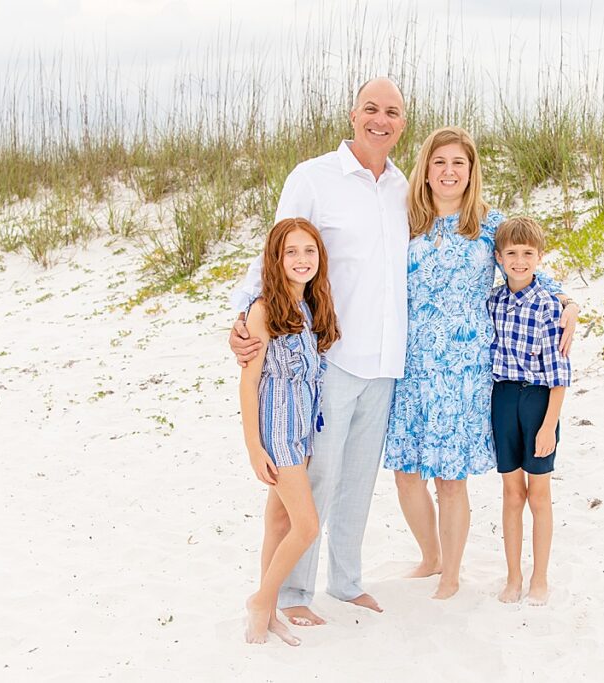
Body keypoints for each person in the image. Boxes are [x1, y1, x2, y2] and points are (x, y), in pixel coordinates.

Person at [229, 77, 409, 626]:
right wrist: (243, 316)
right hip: (331, 357)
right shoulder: (313, 177)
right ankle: (291, 593)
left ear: (403, 123)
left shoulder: (405, 186)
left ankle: (347, 581)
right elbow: (276, 249)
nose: (381, 119)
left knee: (359, 479)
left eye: (393, 112)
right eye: (371, 109)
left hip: (387, 361)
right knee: (317, 480)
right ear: (353, 114)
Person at [384, 126, 579, 599]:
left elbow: (528, 267)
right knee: (406, 470)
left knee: (450, 476)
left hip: (465, 366)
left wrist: (566, 299)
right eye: (440, 162)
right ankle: (429, 556)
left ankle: (451, 572)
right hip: (410, 363)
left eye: (459, 163)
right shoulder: (403, 221)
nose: (449, 171)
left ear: (472, 172)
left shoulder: (489, 226)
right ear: (426, 170)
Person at [240, 218, 340, 645]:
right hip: (277, 433)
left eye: (309, 251)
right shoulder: (263, 310)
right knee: (306, 526)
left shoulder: (308, 307)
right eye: (291, 252)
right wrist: (253, 447)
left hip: (302, 430)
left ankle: (266, 615)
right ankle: (261, 600)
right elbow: (249, 381)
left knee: (279, 520)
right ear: (276, 259)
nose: (302, 260)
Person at [488, 216, 571, 606]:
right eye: (511, 254)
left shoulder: (550, 306)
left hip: (539, 401)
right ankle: (513, 576)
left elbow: (560, 376)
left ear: (540, 257)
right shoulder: (493, 302)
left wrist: (548, 426)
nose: (519, 261)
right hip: (503, 398)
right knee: (510, 493)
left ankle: (540, 576)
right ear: (499, 257)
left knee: (539, 493)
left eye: (527, 254)